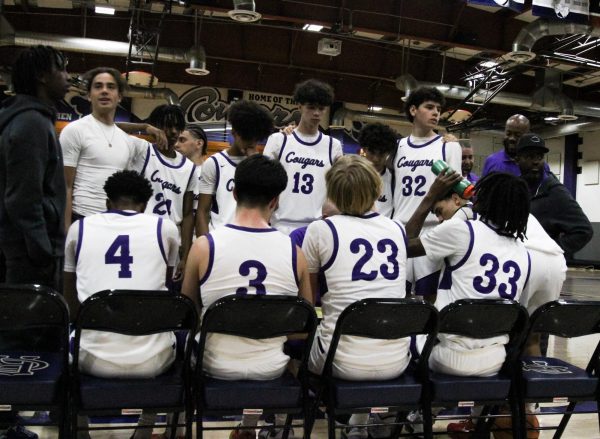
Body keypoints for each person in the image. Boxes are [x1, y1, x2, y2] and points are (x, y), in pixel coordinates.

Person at [183, 154, 312, 439]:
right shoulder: (296, 253)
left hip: (214, 364)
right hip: (271, 368)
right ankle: (262, 429)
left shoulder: (203, 247)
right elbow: (304, 327)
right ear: (276, 201)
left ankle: (180, 428)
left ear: (234, 192)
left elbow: (187, 316)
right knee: (289, 352)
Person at [406, 172, 531, 437]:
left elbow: (403, 245)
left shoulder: (463, 230)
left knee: (396, 340)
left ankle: (386, 422)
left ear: (486, 198)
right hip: (494, 361)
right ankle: (463, 418)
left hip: (448, 356)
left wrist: (429, 198)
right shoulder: (523, 252)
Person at [63, 170, 179, 439]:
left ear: (107, 202)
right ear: (145, 206)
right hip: (153, 359)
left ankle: (82, 432)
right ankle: (147, 426)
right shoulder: (165, 228)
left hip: (90, 357)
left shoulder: (78, 228)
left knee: (72, 332)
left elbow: (70, 301)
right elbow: (166, 292)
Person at [302, 155, 409, 439]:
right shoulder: (397, 229)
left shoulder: (320, 229)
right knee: (371, 327)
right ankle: (363, 424)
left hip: (340, 360)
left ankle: (274, 428)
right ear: (377, 189)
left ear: (333, 193)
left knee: (289, 348)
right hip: (397, 359)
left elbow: (308, 299)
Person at [0, 45, 69, 293]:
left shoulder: (24, 117)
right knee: (30, 329)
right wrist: (43, 252)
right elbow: (22, 199)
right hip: (27, 257)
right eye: (60, 69)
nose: (67, 76)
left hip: (20, 250)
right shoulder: (31, 123)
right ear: (42, 76)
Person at [60, 67, 164, 230]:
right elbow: (65, 187)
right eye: (98, 86)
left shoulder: (127, 141)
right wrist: (66, 231)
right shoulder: (74, 130)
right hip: (81, 219)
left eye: (110, 87)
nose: (104, 91)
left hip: (114, 224)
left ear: (120, 96)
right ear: (88, 95)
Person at [391, 86, 462, 298]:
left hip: (432, 231)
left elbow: (456, 196)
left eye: (438, 109)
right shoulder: (397, 146)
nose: (436, 113)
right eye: (429, 107)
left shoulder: (448, 146)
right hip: (401, 229)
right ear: (413, 110)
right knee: (396, 296)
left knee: (428, 297)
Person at [263, 79, 344, 235]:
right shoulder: (279, 140)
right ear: (299, 106)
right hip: (279, 223)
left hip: (317, 227)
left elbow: (340, 185)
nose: (316, 113)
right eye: (311, 107)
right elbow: (264, 182)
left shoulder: (333, 145)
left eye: (321, 108)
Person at [129, 105, 198, 281]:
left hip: (171, 240)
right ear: (156, 126)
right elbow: (111, 129)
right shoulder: (143, 150)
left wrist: (186, 252)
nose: (174, 132)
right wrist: (144, 127)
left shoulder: (189, 167)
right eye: (168, 126)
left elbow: (188, 214)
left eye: (177, 127)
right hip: (141, 234)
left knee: (165, 293)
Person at [196, 100, 273, 236]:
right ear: (234, 132)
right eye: (246, 137)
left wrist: (254, 163)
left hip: (252, 237)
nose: (251, 142)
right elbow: (202, 211)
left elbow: (271, 207)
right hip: (220, 237)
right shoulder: (214, 163)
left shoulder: (263, 165)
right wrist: (205, 243)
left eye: (255, 138)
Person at [515, 133, 593, 256]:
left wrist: (550, 250)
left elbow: (584, 231)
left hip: (541, 267)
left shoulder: (556, 192)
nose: (536, 161)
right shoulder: (514, 188)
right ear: (517, 159)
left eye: (539, 157)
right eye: (530, 156)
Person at [357, 122, 398, 217]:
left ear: (388, 152)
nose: (376, 159)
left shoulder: (395, 180)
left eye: (381, 154)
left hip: (384, 229)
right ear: (364, 149)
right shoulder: (352, 176)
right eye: (372, 152)